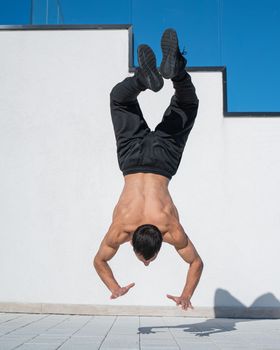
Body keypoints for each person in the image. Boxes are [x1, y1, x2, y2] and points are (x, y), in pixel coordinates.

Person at [93, 28, 203, 310]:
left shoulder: (170, 230)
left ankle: (176, 70)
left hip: (163, 162)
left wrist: (187, 295)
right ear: (133, 243)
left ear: (159, 242)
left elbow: (196, 263)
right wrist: (113, 287)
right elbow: (99, 261)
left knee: (187, 104)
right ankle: (142, 79)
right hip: (131, 160)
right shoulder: (121, 230)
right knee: (120, 100)